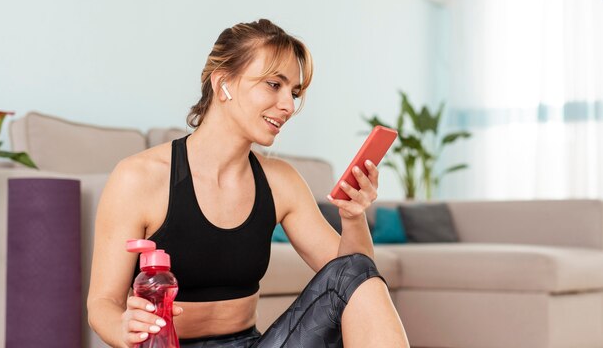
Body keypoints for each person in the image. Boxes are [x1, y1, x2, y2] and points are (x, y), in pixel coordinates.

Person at [87, 19, 409, 348]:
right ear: (223, 82)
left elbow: (354, 277)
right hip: (167, 345)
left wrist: (354, 217)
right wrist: (123, 327)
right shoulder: (138, 178)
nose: (288, 105)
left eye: (293, 92)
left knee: (354, 270)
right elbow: (102, 305)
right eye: (274, 84)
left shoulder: (281, 181)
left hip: (251, 343)